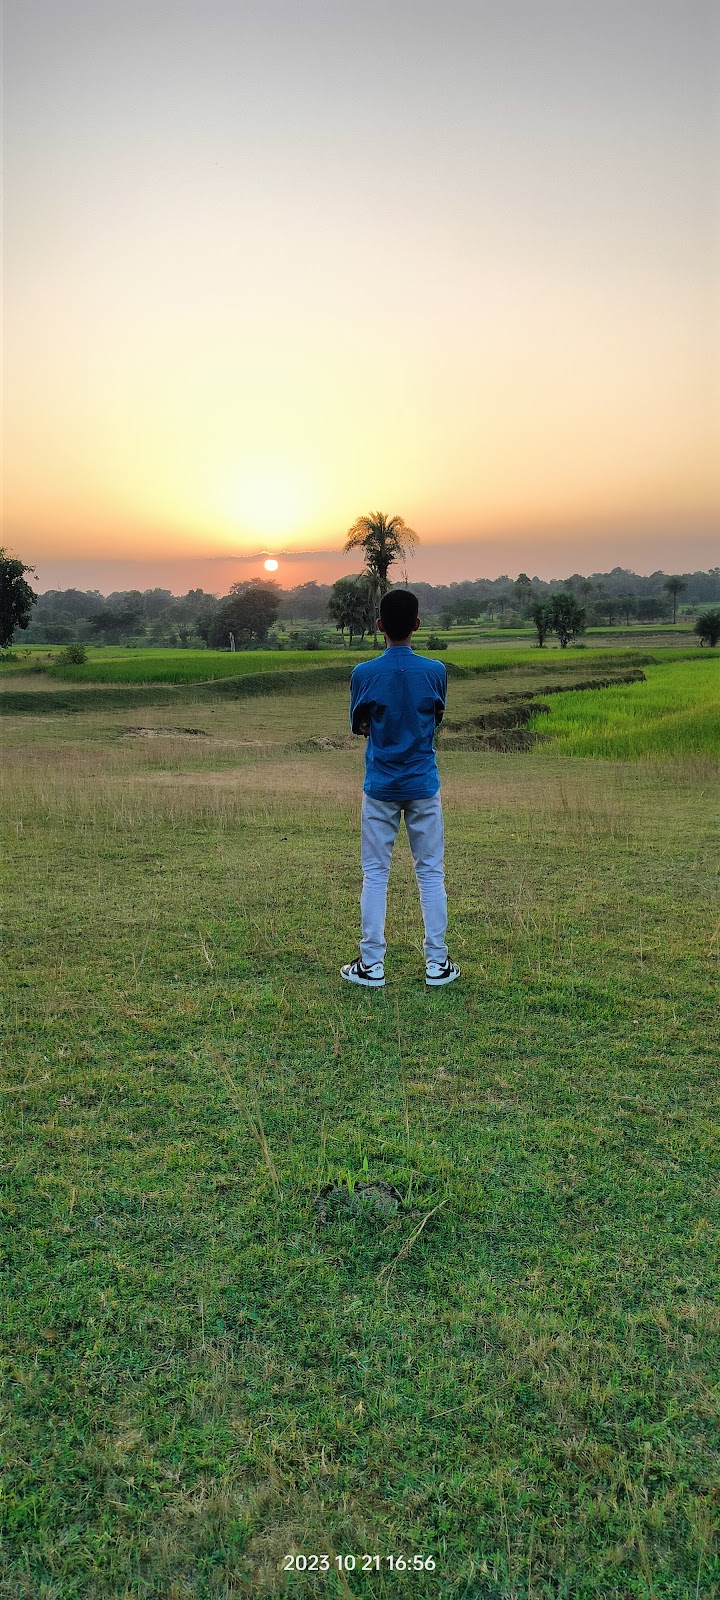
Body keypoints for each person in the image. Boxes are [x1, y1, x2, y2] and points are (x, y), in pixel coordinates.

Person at [341, 589, 460, 989]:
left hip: (380, 785)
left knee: (375, 874)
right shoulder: (435, 671)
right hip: (423, 782)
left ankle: (371, 964)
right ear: (417, 625)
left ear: (379, 627)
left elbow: (360, 726)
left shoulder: (364, 673)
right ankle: (437, 964)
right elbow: (436, 717)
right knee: (430, 873)